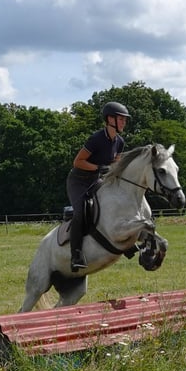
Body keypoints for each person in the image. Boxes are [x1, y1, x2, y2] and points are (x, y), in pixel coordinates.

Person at [66, 101, 131, 272]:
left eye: (125, 120)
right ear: (110, 119)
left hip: (96, 180)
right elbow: (77, 162)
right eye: (121, 119)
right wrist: (98, 168)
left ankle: (126, 241)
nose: (124, 122)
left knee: (114, 203)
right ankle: (76, 255)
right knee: (81, 212)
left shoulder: (120, 142)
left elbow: (114, 166)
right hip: (78, 181)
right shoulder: (96, 139)